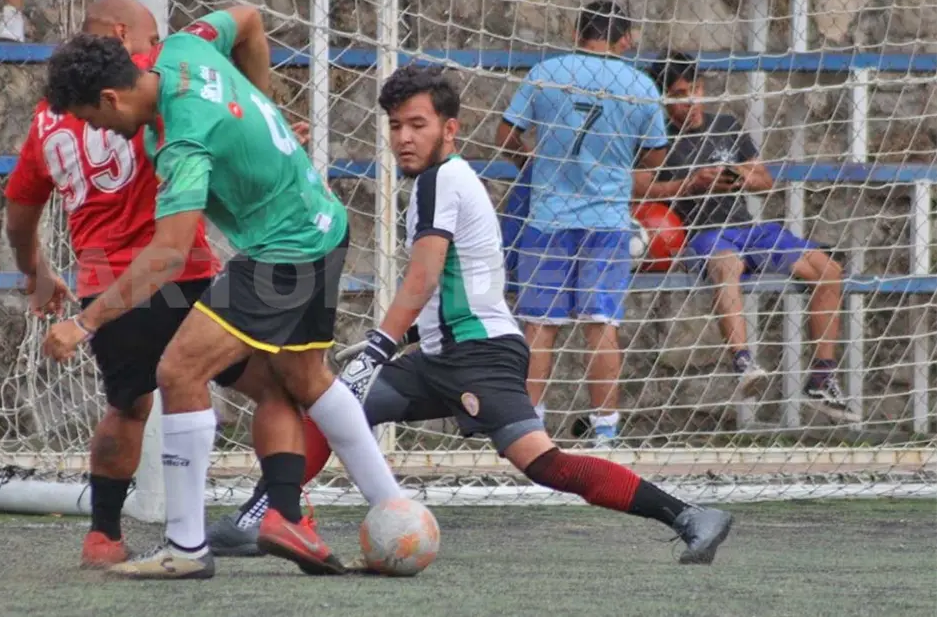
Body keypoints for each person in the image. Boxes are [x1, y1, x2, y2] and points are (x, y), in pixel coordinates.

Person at [221, 64, 733, 565]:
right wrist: (407, 337)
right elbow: (461, 282)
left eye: (417, 125)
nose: (404, 138)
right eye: (396, 125)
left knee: (545, 464)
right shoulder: (447, 179)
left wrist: (379, 345)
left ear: (450, 129)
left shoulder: (439, 182)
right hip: (442, 355)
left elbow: (425, 276)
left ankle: (689, 516)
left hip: (478, 357)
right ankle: (262, 517)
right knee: (332, 408)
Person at [40, 6, 402, 579]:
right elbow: (249, 19)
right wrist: (265, 109)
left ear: (110, 97)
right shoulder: (185, 45)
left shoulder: (184, 142)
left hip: (284, 249)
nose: (101, 131)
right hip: (324, 224)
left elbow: (167, 255)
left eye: (94, 119)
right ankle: (395, 510)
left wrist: (85, 323)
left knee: (179, 371)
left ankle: (186, 548)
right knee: (305, 378)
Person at [4, 0, 239, 569]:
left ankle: (103, 536)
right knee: (273, 383)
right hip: (180, 264)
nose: (154, 44)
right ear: (120, 33)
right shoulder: (150, 72)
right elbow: (237, 29)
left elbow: (19, 213)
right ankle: (274, 511)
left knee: (127, 407)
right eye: (150, 35)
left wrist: (37, 273)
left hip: (104, 280)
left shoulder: (48, 116)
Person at [495, 1, 669, 446]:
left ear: (576, 33)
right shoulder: (641, 87)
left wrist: (531, 165)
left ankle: (529, 431)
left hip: (547, 218)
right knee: (602, 325)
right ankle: (605, 433)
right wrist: (617, 159)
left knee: (539, 326)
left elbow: (505, 135)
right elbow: (656, 154)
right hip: (606, 223)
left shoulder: (546, 73)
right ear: (626, 39)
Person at [643, 52, 852, 421]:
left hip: (751, 232)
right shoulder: (656, 139)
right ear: (663, 98)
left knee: (828, 269)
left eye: (696, 90)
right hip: (703, 235)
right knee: (728, 266)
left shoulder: (726, 125)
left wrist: (738, 175)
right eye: (679, 95)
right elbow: (640, 189)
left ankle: (821, 377)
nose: (691, 101)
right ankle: (743, 363)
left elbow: (765, 181)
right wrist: (693, 183)